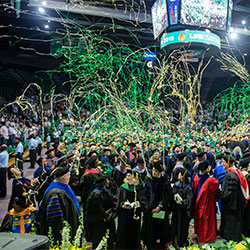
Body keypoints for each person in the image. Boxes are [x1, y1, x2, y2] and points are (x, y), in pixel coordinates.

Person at [38, 164, 81, 243]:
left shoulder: (63, 186)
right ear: (64, 177)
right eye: (69, 175)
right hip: (62, 235)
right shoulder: (55, 193)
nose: (70, 177)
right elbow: (55, 218)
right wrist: (63, 232)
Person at [142, 161, 173, 249]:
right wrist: (150, 207)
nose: (153, 172)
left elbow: (168, 196)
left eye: (155, 171)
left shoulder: (165, 181)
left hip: (161, 209)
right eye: (153, 170)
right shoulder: (148, 180)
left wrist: (160, 206)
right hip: (151, 209)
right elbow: (146, 195)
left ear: (160, 172)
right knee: (151, 233)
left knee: (162, 230)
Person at [116, 169, 147, 250]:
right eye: (127, 176)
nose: (127, 177)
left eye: (129, 176)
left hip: (135, 215)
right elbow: (118, 202)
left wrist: (138, 204)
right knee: (124, 234)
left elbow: (143, 201)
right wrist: (122, 205)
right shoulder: (123, 188)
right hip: (124, 215)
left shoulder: (139, 188)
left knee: (135, 234)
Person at [221, 155, 248, 242]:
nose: (222, 164)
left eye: (223, 162)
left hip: (232, 203)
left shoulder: (230, 175)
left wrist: (222, 194)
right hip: (238, 201)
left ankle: (232, 240)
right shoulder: (238, 172)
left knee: (232, 222)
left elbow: (228, 193)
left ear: (228, 163)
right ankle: (237, 238)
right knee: (237, 221)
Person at [193, 160, 220, 242]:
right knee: (208, 221)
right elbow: (215, 194)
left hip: (198, 201)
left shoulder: (195, 177)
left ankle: (199, 234)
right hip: (208, 202)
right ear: (207, 169)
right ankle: (207, 237)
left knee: (200, 220)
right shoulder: (211, 180)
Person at [85, 176, 115, 249]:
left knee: (108, 239)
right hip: (98, 221)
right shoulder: (96, 193)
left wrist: (111, 213)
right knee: (99, 240)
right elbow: (98, 208)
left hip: (107, 219)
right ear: (104, 182)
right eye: (107, 180)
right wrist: (106, 214)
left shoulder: (106, 191)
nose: (108, 182)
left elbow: (112, 204)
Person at [171, 167, 193, 248]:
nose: (177, 176)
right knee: (175, 226)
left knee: (183, 227)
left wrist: (182, 202)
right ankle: (175, 241)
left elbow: (189, 200)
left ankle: (182, 242)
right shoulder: (177, 185)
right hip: (177, 210)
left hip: (184, 212)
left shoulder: (188, 187)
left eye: (179, 174)